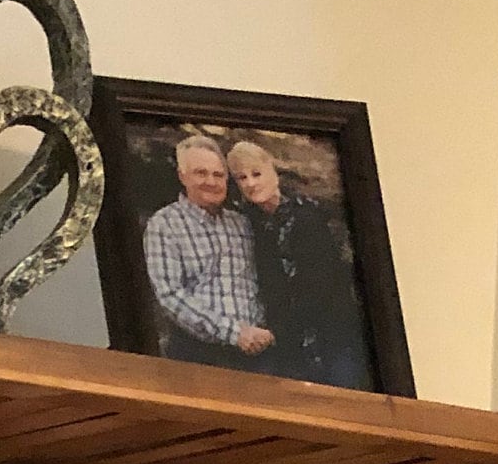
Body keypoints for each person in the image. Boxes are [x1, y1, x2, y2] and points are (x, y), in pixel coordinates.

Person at [226, 135, 375, 390]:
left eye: (256, 173)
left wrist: (276, 332)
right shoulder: (248, 223)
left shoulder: (307, 218)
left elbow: (320, 287)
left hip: (331, 337)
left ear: (273, 173)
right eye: (242, 177)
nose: (251, 183)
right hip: (288, 346)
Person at [141, 134, 276, 369]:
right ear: (182, 176)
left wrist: (267, 331)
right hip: (197, 357)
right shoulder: (165, 224)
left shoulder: (242, 223)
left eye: (218, 175)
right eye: (200, 173)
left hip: (256, 356)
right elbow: (170, 294)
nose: (211, 182)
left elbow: (263, 282)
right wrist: (235, 333)